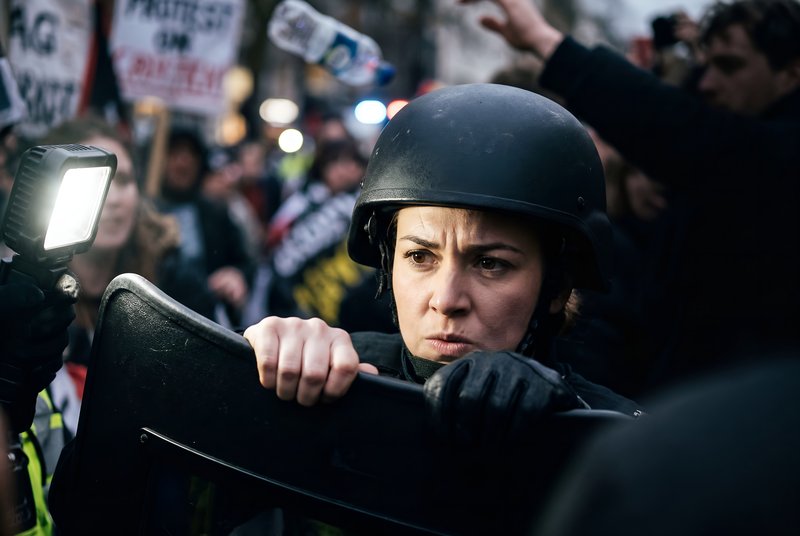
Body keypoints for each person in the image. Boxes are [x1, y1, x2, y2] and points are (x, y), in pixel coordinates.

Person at [244, 84, 642, 452]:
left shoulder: (617, 445)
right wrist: (259, 364)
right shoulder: (341, 376)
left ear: (556, 288)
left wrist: (563, 431)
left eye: (490, 264)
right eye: (420, 257)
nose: (447, 300)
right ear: (388, 264)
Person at [460, 0, 800, 393]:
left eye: (730, 66)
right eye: (703, 67)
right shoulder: (700, 177)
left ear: (792, 71)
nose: (707, 84)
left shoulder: (771, 157)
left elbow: (686, 131)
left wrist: (546, 41)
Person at [39, 117, 216, 434]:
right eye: (96, 182)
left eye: (123, 180)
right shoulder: (28, 296)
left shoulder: (177, 288)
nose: (114, 199)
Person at [156, 126, 255, 327]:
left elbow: (245, 262)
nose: (183, 161)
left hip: (206, 321)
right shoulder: (144, 212)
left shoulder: (214, 212)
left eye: (190, 154)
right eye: (175, 152)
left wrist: (236, 275)